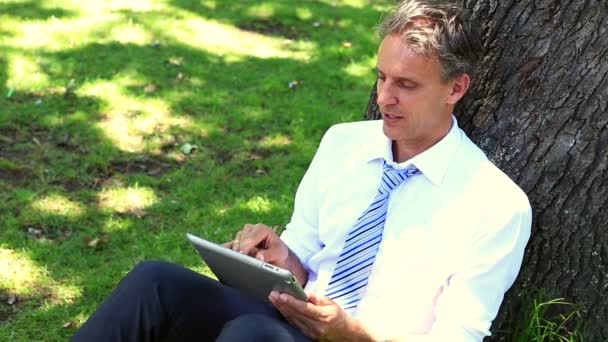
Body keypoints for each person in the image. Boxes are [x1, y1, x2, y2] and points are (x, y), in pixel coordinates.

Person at [71, 0, 532, 341]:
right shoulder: (344, 143)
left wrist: (354, 333)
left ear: (456, 88)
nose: (385, 97)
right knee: (156, 282)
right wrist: (278, 259)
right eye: (382, 77)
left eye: (407, 85)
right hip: (295, 319)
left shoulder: (495, 205)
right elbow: (305, 253)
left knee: (253, 335)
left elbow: (460, 335)